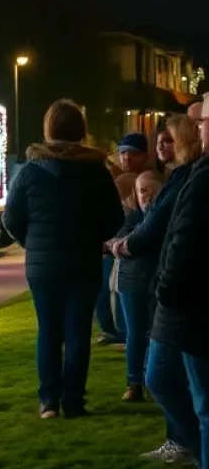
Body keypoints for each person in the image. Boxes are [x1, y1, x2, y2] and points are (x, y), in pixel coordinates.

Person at [3, 99, 123, 419]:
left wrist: (31, 242)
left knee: (49, 330)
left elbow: (11, 218)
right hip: (83, 260)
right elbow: (114, 218)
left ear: (49, 129)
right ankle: (73, 400)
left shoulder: (30, 171)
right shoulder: (96, 171)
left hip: (42, 264)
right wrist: (94, 236)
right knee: (78, 331)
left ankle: (48, 401)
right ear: (80, 131)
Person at [115, 116, 201, 462]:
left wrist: (126, 245)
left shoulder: (187, 178)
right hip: (173, 288)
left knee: (165, 377)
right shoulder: (182, 177)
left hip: (177, 294)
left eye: (170, 140)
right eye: (159, 141)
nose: (164, 146)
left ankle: (194, 454)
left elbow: (160, 229)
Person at [146, 96, 209, 469]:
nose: (198, 127)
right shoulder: (194, 175)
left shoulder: (200, 177)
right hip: (185, 304)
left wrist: (165, 288)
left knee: (203, 403)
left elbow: (179, 236)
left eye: (202, 121)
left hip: (190, 305)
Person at [96, 132, 148, 344]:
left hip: (130, 247)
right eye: (123, 153)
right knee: (103, 290)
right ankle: (111, 330)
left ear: (144, 156)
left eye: (133, 154)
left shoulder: (146, 179)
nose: (126, 158)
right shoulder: (115, 179)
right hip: (110, 245)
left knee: (122, 293)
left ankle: (126, 334)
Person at [113, 170, 159, 400]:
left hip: (155, 281)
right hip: (131, 281)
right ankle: (134, 383)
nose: (146, 196)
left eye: (151, 190)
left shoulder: (163, 216)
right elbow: (117, 243)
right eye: (142, 190)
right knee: (136, 333)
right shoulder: (129, 216)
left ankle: (151, 381)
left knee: (154, 333)